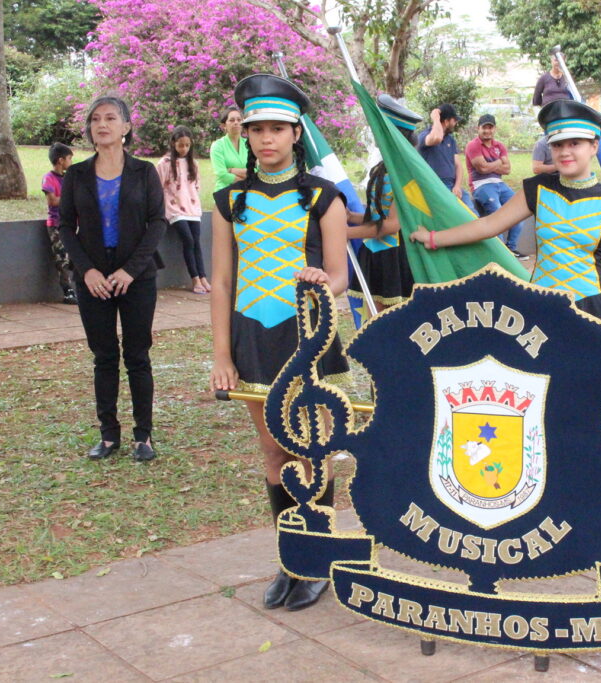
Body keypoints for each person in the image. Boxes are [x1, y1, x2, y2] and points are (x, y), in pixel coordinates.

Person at [209, 74, 349, 612]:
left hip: (307, 338)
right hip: (251, 337)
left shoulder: (321, 194)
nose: (266, 138)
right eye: (257, 129)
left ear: (296, 133)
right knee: (272, 450)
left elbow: (338, 275)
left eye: (277, 129)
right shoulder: (230, 200)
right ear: (245, 135)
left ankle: (320, 560)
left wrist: (319, 282)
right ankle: (291, 558)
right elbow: (222, 281)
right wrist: (221, 355)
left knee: (310, 448)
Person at [411, 100, 601, 331]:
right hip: (540, 304)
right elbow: (489, 225)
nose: (565, 152)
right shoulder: (538, 188)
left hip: (591, 308)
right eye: (557, 145)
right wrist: (433, 238)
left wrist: (584, 273)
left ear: (594, 146)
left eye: (575, 143)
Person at [58, 95, 167, 463]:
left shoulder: (144, 172)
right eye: (95, 119)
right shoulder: (76, 174)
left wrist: (130, 270)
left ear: (126, 127)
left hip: (136, 276)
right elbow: (65, 227)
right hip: (93, 279)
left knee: (138, 356)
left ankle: (143, 436)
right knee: (104, 356)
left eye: (110, 118)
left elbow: (157, 223)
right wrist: (87, 270)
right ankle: (108, 435)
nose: (101, 125)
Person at [346, 94, 422, 312]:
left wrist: (345, 232)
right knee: (373, 319)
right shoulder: (383, 167)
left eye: (379, 128)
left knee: (391, 322)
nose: (374, 133)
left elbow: (392, 225)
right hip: (373, 252)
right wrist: (352, 217)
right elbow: (377, 216)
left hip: (394, 258)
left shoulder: (406, 173)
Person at [157, 126, 209, 294]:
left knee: (196, 242)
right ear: (173, 143)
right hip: (174, 208)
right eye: (181, 145)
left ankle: (203, 277)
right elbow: (158, 186)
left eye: (187, 145)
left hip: (192, 208)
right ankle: (194, 279)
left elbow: (196, 186)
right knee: (188, 240)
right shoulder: (164, 163)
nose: (184, 149)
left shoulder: (193, 163)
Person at [466, 113, 527, 257]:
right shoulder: (473, 145)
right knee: (498, 213)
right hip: (481, 185)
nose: (487, 131)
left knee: (520, 209)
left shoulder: (499, 145)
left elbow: (507, 169)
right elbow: (482, 169)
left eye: (490, 127)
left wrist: (490, 165)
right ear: (478, 128)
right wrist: (499, 162)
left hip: (500, 183)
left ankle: (511, 248)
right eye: (484, 128)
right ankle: (500, 253)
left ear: (495, 129)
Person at [417, 103, 475, 212]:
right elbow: (437, 138)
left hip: (452, 186)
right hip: (436, 187)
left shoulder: (450, 140)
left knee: (472, 214)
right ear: (447, 121)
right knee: (459, 216)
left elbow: (458, 166)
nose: (456, 123)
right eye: (454, 120)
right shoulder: (424, 136)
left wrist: (457, 186)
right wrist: (436, 118)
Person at [42, 143, 78, 304]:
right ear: (60, 160)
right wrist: (71, 199)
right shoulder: (49, 178)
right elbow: (53, 200)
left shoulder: (70, 177)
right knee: (61, 257)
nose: (71, 161)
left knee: (74, 256)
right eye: (69, 158)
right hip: (56, 223)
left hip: (73, 223)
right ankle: (67, 289)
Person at [209, 105, 249, 192]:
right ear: (224, 125)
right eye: (231, 120)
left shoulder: (249, 144)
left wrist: (231, 170)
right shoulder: (217, 146)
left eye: (239, 120)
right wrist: (245, 181)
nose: (236, 122)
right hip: (225, 192)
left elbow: (256, 171)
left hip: (248, 192)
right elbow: (222, 174)